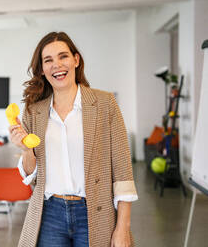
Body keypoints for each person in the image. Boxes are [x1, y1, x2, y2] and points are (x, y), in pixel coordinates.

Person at [8, 32, 138, 247]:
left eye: (63, 57)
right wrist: (24, 149)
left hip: (94, 212)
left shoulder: (105, 103)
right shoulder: (33, 111)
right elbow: (32, 175)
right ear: (41, 69)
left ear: (76, 60)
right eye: (48, 60)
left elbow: (123, 170)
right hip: (49, 214)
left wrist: (123, 228)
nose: (57, 65)